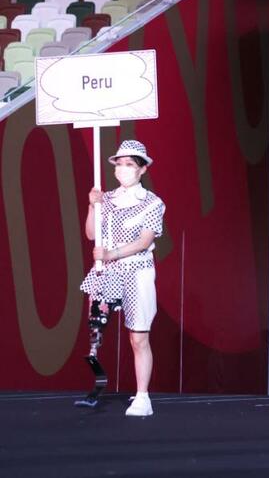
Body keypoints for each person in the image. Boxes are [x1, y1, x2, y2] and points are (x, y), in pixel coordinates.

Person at [80, 140, 165, 417]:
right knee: (96, 329)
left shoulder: (153, 203)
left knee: (138, 337)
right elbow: (92, 235)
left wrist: (112, 252)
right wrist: (93, 206)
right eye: (120, 164)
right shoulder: (106, 199)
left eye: (130, 164)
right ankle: (96, 382)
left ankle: (143, 396)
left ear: (142, 169)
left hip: (137, 270)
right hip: (108, 271)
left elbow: (144, 241)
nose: (123, 169)